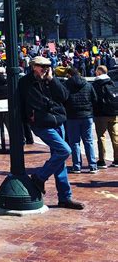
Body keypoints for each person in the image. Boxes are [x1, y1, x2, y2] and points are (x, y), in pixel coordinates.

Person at [19, 56, 84, 209]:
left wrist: (52, 80)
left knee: (59, 160)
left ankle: (64, 197)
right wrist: (30, 119)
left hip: (58, 122)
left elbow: (64, 96)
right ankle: (39, 177)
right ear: (34, 66)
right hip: (42, 124)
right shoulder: (26, 82)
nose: (45, 68)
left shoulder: (51, 80)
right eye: (42, 66)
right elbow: (32, 103)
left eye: (48, 66)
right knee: (64, 150)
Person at [64, 67, 98, 173]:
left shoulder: (66, 85)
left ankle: (77, 166)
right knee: (88, 141)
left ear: (69, 75)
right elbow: (95, 98)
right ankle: (93, 165)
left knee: (74, 142)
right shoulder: (87, 84)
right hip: (87, 115)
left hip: (72, 116)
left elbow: (63, 99)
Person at [92, 65, 118, 168]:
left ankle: (102, 160)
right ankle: (117, 159)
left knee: (101, 137)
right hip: (114, 113)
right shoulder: (112, 83)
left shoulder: (96, 84)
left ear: (98, 72)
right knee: (115, 136)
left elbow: (94, 99)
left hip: (101, 114)